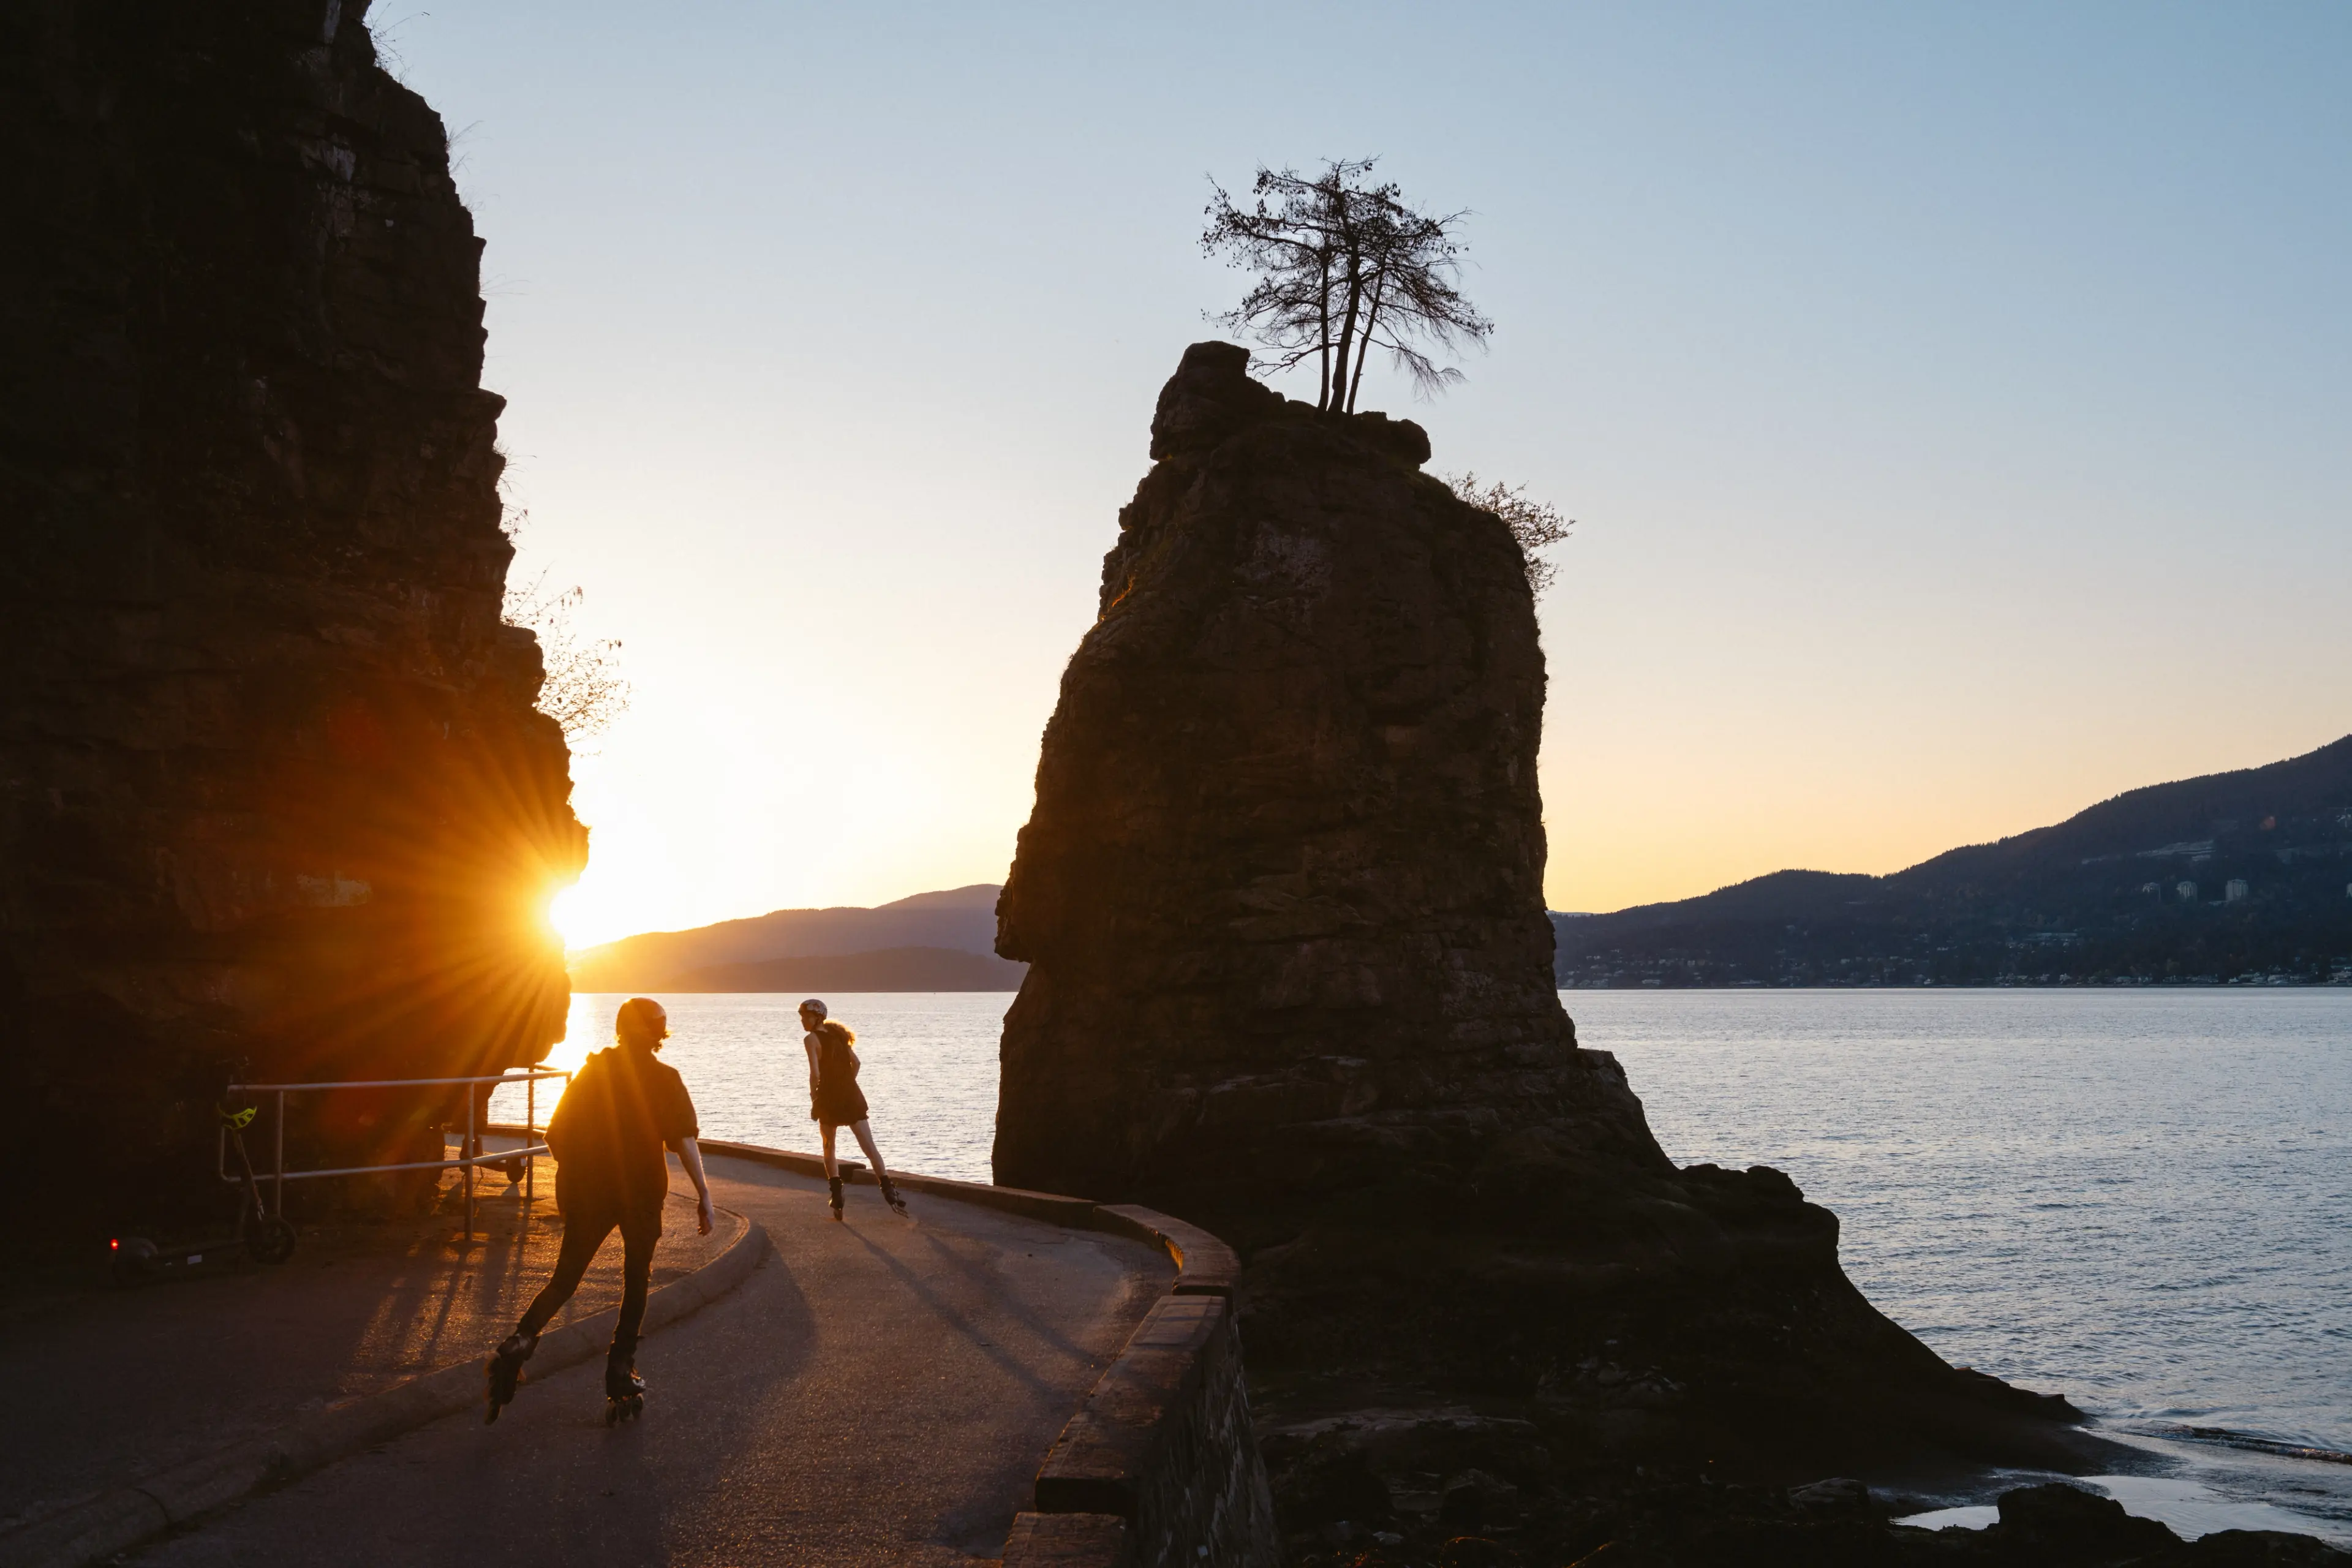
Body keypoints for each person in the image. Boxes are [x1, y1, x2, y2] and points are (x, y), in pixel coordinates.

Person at [484, 997, 714, 1424]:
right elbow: (683, 1140)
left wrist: (578, 1174)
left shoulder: (593, 1073)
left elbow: (556, 1135)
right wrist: (704, 1194)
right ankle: (620, 1368)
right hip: (642, 1193)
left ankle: (521, 1340)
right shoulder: (665, 1079)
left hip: (592, 1191)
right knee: (636, 1278)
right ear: (656, 1031)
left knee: (566, 1277)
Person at [798, 998, 909, 1221]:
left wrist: (814, 1098)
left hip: (828, 1099)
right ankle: (889, 1192)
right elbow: (856, 1063)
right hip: (852, 1097)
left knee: (829, 1148)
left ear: (817, 1017)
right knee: (870, 1148)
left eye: (805, 1017)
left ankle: (837, 1197)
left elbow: (815, 1074)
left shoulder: (811, 1039)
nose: (802, 1021)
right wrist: (847, 1083)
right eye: (801, 1017)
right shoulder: (838, 1036)